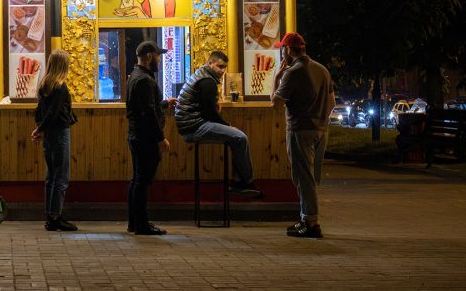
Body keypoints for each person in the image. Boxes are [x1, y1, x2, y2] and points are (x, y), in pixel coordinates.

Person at [271, 32, 335, 239]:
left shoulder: (293, 72)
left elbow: (276, 103)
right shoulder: (322, 70)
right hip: (320, 131)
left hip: (300, 130)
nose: (283, 54)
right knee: (312, 177)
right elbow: (332, 103)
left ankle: (310, 222)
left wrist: (277, 77)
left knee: (303, 177)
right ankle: (306, 218)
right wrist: (320, 122)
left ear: (288, 50)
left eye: (283, 49)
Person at [174, 50, 263, 198]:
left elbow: (207, 108)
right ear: (210, 63)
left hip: (190, 124)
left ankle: (238, 180)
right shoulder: (207, 81)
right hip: (193, 127)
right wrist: (227, 126)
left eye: (224, 67)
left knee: (236, 138)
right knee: (240, 137)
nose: (222, 71)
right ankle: (246, 182)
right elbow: (210, 113)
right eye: (219, 66)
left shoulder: (202, 75)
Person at [125, 40, 176, 235]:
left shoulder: (135, 76)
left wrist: (163, 104)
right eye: (157, 56)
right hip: (145, 138)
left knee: (137, 180)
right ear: (149, 57)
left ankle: (134, 222)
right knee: (142, 181)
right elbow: (147, 113)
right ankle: (141, 225)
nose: (159, 59)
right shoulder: (145, 80)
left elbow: (144, 107)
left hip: (136, 135)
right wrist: (160, 138)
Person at [31, 50, 80, 232]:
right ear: (62, 65)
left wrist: (40, 129)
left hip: (50, 135)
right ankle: (56, 216)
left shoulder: (45, 85)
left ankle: (50, 214)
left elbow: (40, 111)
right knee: (61, 176)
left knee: (51, 175)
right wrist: (39, 129)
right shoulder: (61, 87)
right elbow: (54, 113)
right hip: (60, 132)